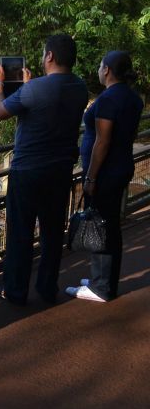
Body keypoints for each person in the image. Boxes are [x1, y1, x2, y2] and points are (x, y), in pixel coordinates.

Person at [0, 34, 88, 304]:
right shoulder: (80, 87)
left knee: (20, 232)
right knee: (52, 232)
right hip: (60, 171)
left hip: (28, 172)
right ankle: (46, 287)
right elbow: (48, 107)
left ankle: (15, 290)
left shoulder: (34, 90)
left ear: (50, 56)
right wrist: (30, 86)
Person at [66, 51, 143, 303]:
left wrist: (90, 177)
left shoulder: (109, 99)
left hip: (106, 172)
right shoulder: (132, 98)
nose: (98, 70)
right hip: (121, 167)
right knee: (109, 223)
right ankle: (103, 278)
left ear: (107, 70)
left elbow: (102, 140)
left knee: (101, 224)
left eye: (100, 66)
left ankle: (101, 287)